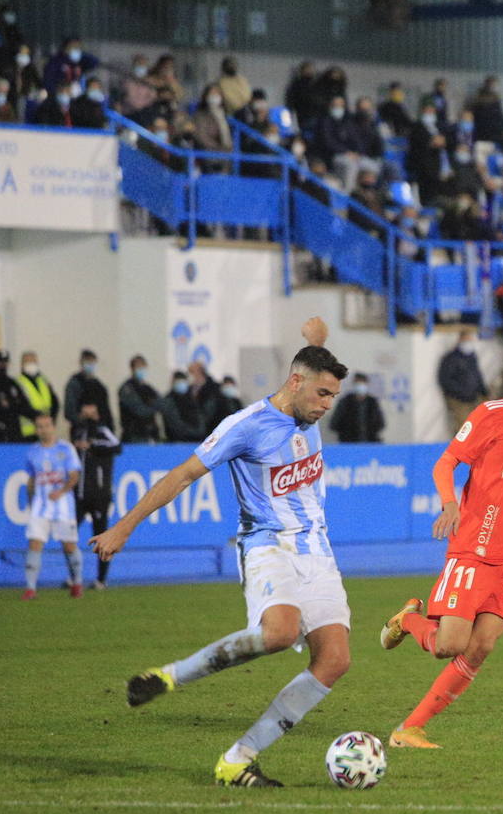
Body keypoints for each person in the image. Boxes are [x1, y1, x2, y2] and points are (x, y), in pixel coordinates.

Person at [94, 318, 352, 787]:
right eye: (322, 395)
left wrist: (316, 344)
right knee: (279, 633)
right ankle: (173, 675)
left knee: (334, 660)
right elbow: (182, 475)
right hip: (267, 545)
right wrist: (123, 527)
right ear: (296, 383)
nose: (326, 406)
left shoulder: (306, 396)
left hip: (317, 548)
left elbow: (312, 366)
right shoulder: (245, 427)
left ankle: (239, 758)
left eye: (333, 397)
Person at [376, 338, 503, 749]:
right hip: (475, 549)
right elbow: (446, 462)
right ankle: (409, 620)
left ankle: (410, 728)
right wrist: (449, 504)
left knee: (481, 648)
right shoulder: (491, 414)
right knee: (448, 646)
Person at [23, 413, 83, 600]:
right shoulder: (32, 452)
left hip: (63, 504)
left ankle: (77, 582)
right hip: (41, 505)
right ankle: (31, 589)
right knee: (34, 543)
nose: (43, 429)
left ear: (53, 427)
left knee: (69, 546)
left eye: (46, 426)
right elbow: (32, 480)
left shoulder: (66, 449)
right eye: (39, 426)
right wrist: (31, 501)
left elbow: (74, 475)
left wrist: (62, 491)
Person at [71, 403, 120, 589]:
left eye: (92, 411)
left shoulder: (102, 431)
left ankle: (101, 579)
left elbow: (117, 446)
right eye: (86, 410)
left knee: (102, 537)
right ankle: (74, 577)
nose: (88, 414)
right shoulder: (77, 431)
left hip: (99, 494)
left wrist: (92, 445)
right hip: (80, 494)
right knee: (69, 535)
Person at [0, 349, 33, 443]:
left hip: (15, 433)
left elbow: (24, 406)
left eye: (5, 362)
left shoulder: (13, 384)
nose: (3, 365)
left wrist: (38, 416)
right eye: (0, 362)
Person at [438, 331, 489, 431]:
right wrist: (461, 392)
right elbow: (445, 379)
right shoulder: (451, 358)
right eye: (467, 339)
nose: (469, 342)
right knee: (463, 428)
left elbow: (477, 375)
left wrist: (484, 392)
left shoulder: (472, 357)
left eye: (471, 339)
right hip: (458, 399)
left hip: (473, 398)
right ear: (460, 340)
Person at [63, 349, 113, 430]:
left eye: (92, 362)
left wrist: (98, 416)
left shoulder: (100, 386)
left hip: (99, 429)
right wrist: (83, 414)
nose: (91, 365)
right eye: (88, 362)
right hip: (80, 431)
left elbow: (106, 412)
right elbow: (68, 412)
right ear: (81, 363)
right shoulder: (74, 384)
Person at [15, 350, 58, 442]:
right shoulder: (18, 382)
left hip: (47, 431)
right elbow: (20, 406)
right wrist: (38, 418)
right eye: (28, 362)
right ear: (22, 364)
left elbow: (55, 402)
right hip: (28, 432)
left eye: (33, 362)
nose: (31, 364)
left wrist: (50, 420)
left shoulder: (44, 380)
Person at [329, 372, 385, 442]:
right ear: (353, 384)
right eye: (358, 383)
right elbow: (334, 424)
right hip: (348, 443)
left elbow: (381, 423)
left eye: (362, 383)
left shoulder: (372, 402)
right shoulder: (345, 401)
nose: (360, 386)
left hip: (370, 442)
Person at [119, 355, 162, 443]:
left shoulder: (148, 388)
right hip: (134, 435)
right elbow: (139, 410)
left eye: (143, 366)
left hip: (150, 433)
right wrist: (153, 406)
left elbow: (162, 403)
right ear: (132, 369)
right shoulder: (127, 388)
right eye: (138, 367)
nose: (141, 369)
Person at [161, 370, 206, 442]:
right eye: (179, 382)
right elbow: (176, 425)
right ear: (173, 383)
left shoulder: (191, 399)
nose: (181, 385)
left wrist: (199, 432)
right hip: (176, 442)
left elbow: (200, 418)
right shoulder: (168, 400)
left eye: (183, 382)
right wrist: (194, 433)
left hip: (195, 441)